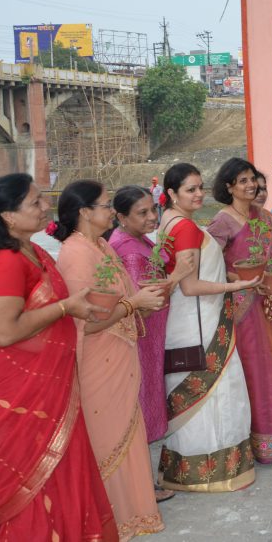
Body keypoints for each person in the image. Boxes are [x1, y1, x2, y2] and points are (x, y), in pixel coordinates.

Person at [0, 173, 118, 540]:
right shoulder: (4, 261)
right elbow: (3, 331)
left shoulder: (33, 250)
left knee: (61, 473)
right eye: (35, 202)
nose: (46, 206)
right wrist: (66, 308)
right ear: (8, 217)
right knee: (32, 482)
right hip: (17, 391)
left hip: (49, 386)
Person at [54, 181, 167, 538]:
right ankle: (109, 518)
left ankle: (132, 514)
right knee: (106, 437)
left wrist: (154, 290)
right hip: (98, 359)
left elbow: (126, 294)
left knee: (127, 431)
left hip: (118, 353)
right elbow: (83, 322)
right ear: (85, 212)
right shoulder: (75, 253)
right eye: (104, 206)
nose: (110, 212)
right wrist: (135, 305)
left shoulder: (100, 245)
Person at [157, 163, 259, 490]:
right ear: (171, 193)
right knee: (217, 396)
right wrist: (234, 287)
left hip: (189, 321)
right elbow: (191, 286)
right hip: (200, 322)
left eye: (200, 187)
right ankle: (214, 474)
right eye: (190, 189)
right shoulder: (184, 227)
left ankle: (185, 470)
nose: (199, 194)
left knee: (203, 396)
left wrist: (225, 278)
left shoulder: (169, 222)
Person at [207, 158, 272, 466]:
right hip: (239, 307)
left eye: (252, 180)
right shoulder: (222, 221)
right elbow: (209, 264)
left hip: (265, 302)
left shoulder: (269, 219)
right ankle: (245, 442)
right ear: (229, 186)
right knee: (245, 371)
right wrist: (236, 278)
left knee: (271, 367)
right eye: (243, 181)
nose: (250, 186)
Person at [109, 186, 171, 446]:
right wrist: (178, 278)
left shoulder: (134, 238)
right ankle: (142, 477)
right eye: (142, 212)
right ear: (122, 217)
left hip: (150, 330)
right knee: (144, 393)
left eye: (153, 209)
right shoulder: (129, 251)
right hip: (143, 332)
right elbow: (143, 304)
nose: (152, 217)